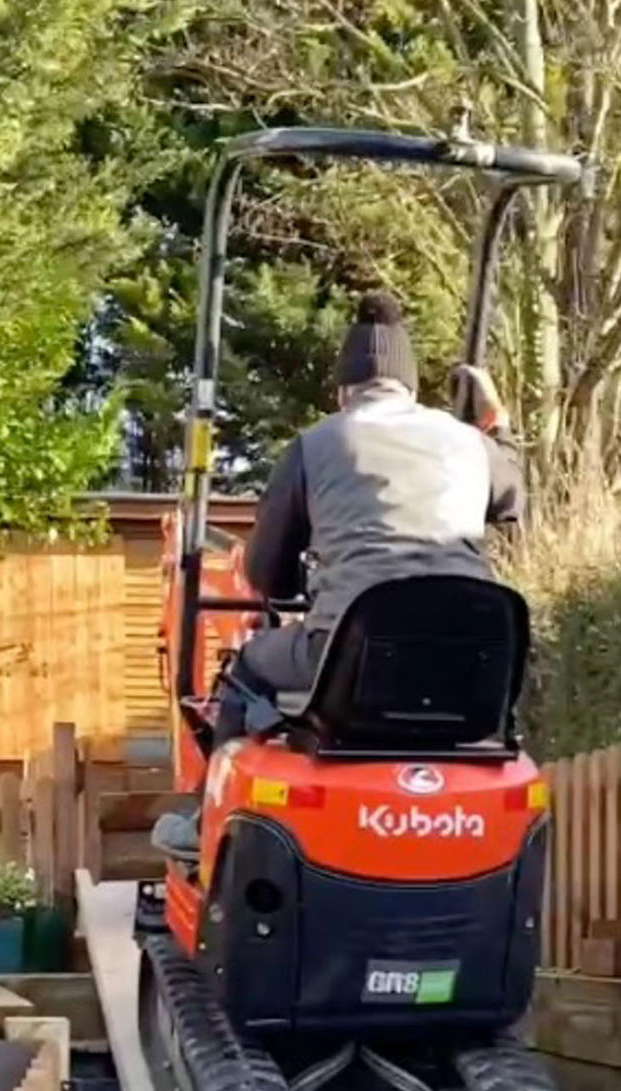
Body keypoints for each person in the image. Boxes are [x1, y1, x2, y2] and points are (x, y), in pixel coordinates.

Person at [155, 290, 522, 859]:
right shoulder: (470, 443)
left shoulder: (317, 444)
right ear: (411, 386)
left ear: (342, 391)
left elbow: (267, 576)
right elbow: (514, 499)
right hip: (470, 673)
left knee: (249, 665)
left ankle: (206, 820)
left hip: (352, 666)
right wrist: (493, 423)